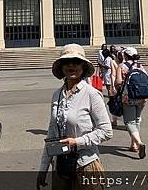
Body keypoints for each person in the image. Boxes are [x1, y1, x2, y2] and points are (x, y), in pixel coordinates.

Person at [37, 44, 112, 190]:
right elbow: (52, 132)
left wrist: (77, 142)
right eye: (66, 61)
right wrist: (43, 167)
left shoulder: (91, 94)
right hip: (61, 166)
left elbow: (106, 131)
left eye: (76, 61)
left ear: (83, 66)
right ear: (61, 67)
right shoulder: (57, 95)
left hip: (85, 165)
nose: (71, 65)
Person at [115, 47, 148, 159]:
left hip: (128, 98)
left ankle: (139, 143)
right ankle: (133, 144)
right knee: (137, 119)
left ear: (125, 56)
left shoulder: (121, 66)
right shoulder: (140, 66)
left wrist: (119, 87)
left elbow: (118, 82)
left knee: (129, 121)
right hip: (142, 98)